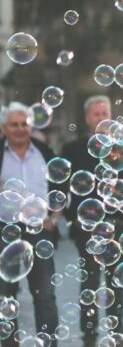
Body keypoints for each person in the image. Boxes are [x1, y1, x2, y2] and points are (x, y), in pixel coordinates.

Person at [61, 95, 123, 344]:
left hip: (115, 227)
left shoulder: (121, 150)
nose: (101, 117)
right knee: (90, 284)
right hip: (87, 228)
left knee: (116, 283)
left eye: (105, 113)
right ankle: (89, 336)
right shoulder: (72, 149)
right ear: (87, 118)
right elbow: (64, 189)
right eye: (96, 114)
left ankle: (116, 333)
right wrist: (75, 220)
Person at [0, 102, 60, 346]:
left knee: (45, 295)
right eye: (14, 124)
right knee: (5, 297)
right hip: (5, 232)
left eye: (24, 124)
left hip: (39, 232)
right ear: (4, 128)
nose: (19, 129)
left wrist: (54, 220)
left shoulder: (45, 152)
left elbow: (61, 189)